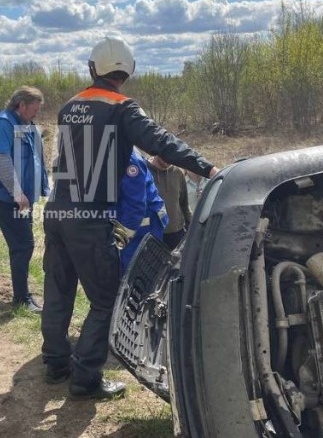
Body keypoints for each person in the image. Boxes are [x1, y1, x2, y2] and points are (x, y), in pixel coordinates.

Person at [41, 36, 220, 401]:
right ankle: (86, 378)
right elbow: (160, 141)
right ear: (128, 70)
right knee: (106, 299)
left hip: (58, 210)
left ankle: (57, 363)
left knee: (58, 289)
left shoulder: (69, 106)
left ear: (93, 69)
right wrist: (208, 167)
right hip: (90, 218)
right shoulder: (122, 107)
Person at [0, 86, 49, 312]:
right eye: (34, 110)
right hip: (7, 197)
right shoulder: (3, 124)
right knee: (23, 245)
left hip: (23, 197)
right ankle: (21, 298)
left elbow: (36, 158)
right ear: (21, 105)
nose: (36, 114)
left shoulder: (26, 124)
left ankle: (22, 291)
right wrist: (17, 194)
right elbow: (1, 161)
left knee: (22, 245)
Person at [115, 149, 167, 274]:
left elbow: (135, 205)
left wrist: (122, 238)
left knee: (135, 271)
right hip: (135, 219)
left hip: (144, 224)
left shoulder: (128, 159)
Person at [146, 155, 191, 249]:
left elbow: (184, 205)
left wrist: (192, 228)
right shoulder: (143, 171)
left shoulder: (178, 173)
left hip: (177, 234)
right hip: (152, 236)